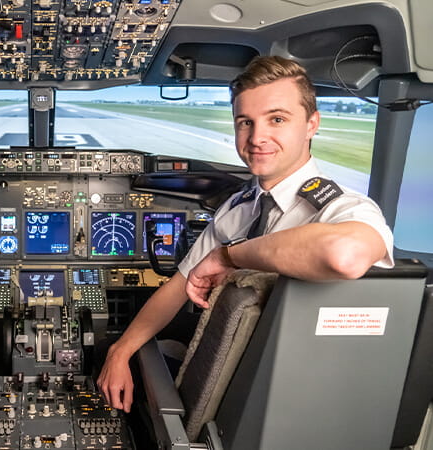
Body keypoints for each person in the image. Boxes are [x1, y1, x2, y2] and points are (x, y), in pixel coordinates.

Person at [97, 55, 394, 413]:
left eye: (277, 119)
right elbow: (178, 287)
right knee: (156, 352)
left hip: (292, 398)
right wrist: (120, 351)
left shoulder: (342, 208)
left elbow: (343, 255)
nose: (257, 138)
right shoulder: (238, 208)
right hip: (224, 378)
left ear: (311, 124)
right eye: (245, 122)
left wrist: (228, 256)